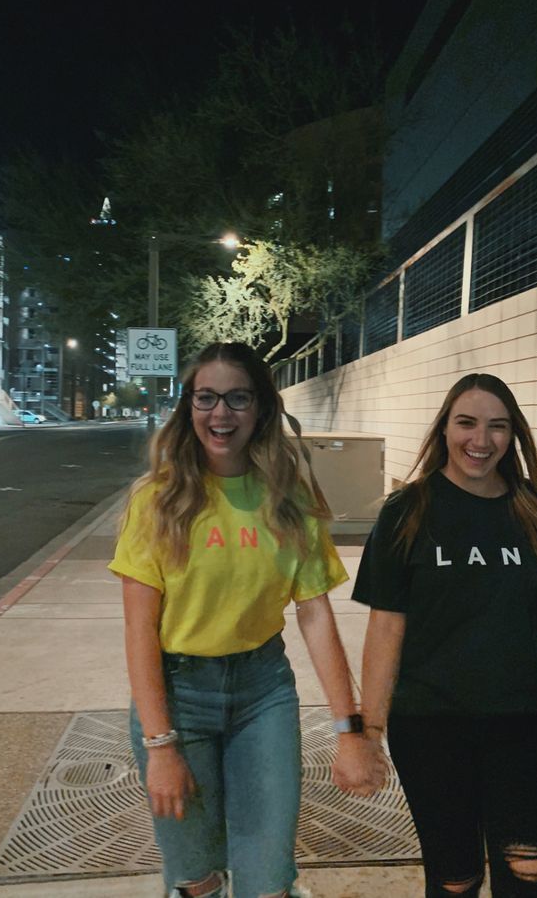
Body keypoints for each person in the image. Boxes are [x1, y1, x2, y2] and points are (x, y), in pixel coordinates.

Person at [110, 342, 378, 898]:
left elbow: (315, 616)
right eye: (206, 398)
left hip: (263, 695)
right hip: (178, 697)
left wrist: (349, 730)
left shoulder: (288, 497)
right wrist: (161, 747)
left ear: (260, 409)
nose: (221, 414)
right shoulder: (157, 501)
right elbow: (139, 630)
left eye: (237, 398)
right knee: (196, 876)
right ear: (188, 407)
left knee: (268, 877)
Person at [352, 373, 537, 897]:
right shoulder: (407, 513)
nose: (481, 440)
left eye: (497, 426)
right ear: (445, 429)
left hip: (527, 730)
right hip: (431, 729)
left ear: (514, 435)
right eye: (467, 423)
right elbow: (386, 630)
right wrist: (370, 733)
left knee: (535, 882)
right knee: (455, 880)